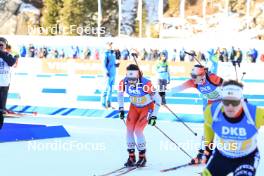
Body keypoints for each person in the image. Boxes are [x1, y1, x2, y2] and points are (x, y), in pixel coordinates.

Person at [201, 80, 263, 176]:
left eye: (234, 102)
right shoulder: (211, 112)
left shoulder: (255, 114)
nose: (230, 106)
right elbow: (208, 128)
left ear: (241, 101)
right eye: (226, 102)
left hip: (246, 158)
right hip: (221, 157)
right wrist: (208, 149)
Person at [170, 64, 224, 164]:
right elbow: (177, 88)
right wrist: (161, 94)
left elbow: (227, 85)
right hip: (211, 104)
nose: (193, 79)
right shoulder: (193, 82)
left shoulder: (211, 77)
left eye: (195, 76)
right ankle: (203, 153)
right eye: (192, 76)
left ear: (202, 75)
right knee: (208, 129)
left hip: (224, 103)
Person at [118, 64, 161, 167]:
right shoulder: (123, 82)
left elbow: (158, 99)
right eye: (129, 78)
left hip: (147, 107)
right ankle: (131, 157)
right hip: (134, 107)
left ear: (138, 76)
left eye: (133, 79)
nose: (131, 81)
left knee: (138, 130)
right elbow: (120, 94)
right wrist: (121, 109)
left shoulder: (146, 83)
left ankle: (142, 157)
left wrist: (154, 115)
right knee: (129, 129)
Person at [0, 37, 17, 129]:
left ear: (5, 46)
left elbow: (12, 62)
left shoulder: (8, 54)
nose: (0, 47)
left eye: (2, 45)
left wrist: (2, 52)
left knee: (1, 108)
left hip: (4, 85)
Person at [101, 41, 119, 108]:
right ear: (106, 46)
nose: (111, 46)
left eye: (111, 45)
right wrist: (106, 71)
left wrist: (117, 65)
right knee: (106, 89)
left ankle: (109, 104)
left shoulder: (113, 53)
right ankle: (103, 104)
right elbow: (103, 64)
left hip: (113, 74)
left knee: (111, 89)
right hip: (108, 74)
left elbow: (113, 63)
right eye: (109, 45)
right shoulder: (105, 54)